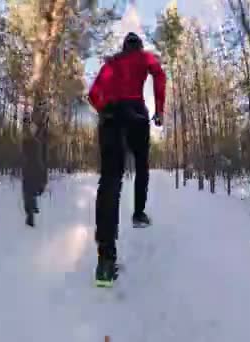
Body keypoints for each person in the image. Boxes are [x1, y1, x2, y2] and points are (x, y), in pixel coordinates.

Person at [88, 32, 166, 287]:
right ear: (139, 47)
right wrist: (159, 110)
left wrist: (107, 112)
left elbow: (93, 94)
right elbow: (159, 74)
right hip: (135, 113)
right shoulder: (143, 57)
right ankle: (139, 213)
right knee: (141, 165)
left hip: (110, 116)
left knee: (110, 180)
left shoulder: (111, 63)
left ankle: (105, 262)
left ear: (123, 47)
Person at [21, 118, 45, 227]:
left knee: (28, 194)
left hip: (31, 171)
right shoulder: (33, 142)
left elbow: (37, 160)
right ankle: (32, 210)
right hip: (31, 171)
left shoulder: (32, 143)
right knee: (30, 193)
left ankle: (30, 217)